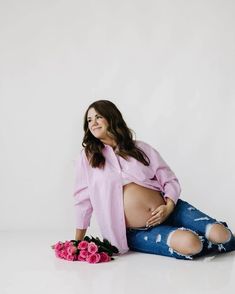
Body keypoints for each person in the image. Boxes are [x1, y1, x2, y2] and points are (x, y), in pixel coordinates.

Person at [73, 100, 235, 260]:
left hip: (172, 210)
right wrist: (76, 243)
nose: (93, 123)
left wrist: (169, 206)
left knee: (222, 235)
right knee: (192, 244)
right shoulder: (88, 158)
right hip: (138, 230)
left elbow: (169, 179)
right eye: (89, 120)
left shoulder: (140, 148)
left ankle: (215, 237)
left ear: (111, 117)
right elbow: (83, 201)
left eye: (98, 117)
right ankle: (196, 238)